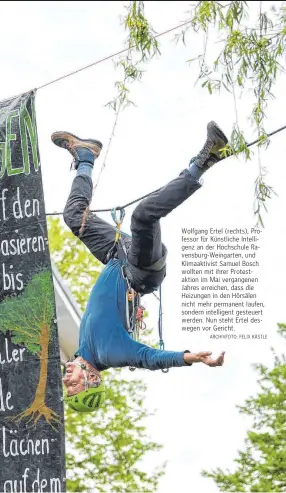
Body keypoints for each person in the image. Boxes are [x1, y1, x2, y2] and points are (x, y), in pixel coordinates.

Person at [53, 122, 228, 414]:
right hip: (141, 272)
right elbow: (149, 358)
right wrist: (191, 357)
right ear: (93, 379)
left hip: (116, 256)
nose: (66, 382)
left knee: (74, 217)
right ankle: (204, 162)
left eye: (67, 387)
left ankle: (85, 157)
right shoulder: (112, 353)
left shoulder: (82, 352)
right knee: (143, 216)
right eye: (74, 386)